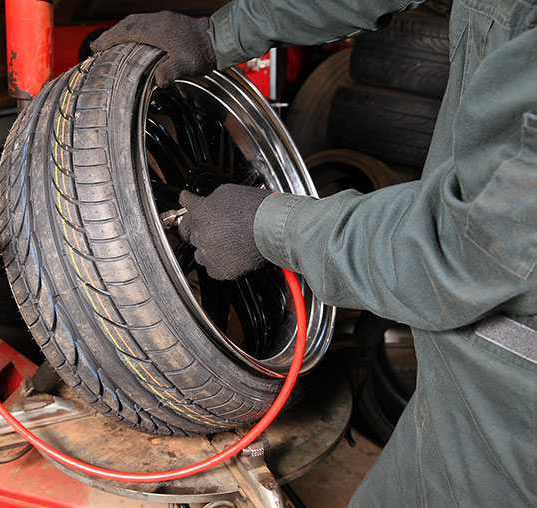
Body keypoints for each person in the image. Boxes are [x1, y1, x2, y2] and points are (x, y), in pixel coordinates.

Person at [92, 1, 537, 506]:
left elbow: (463, 248)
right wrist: (221, 33)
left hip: (516, 419)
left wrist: (266, 226)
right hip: (460, 383)